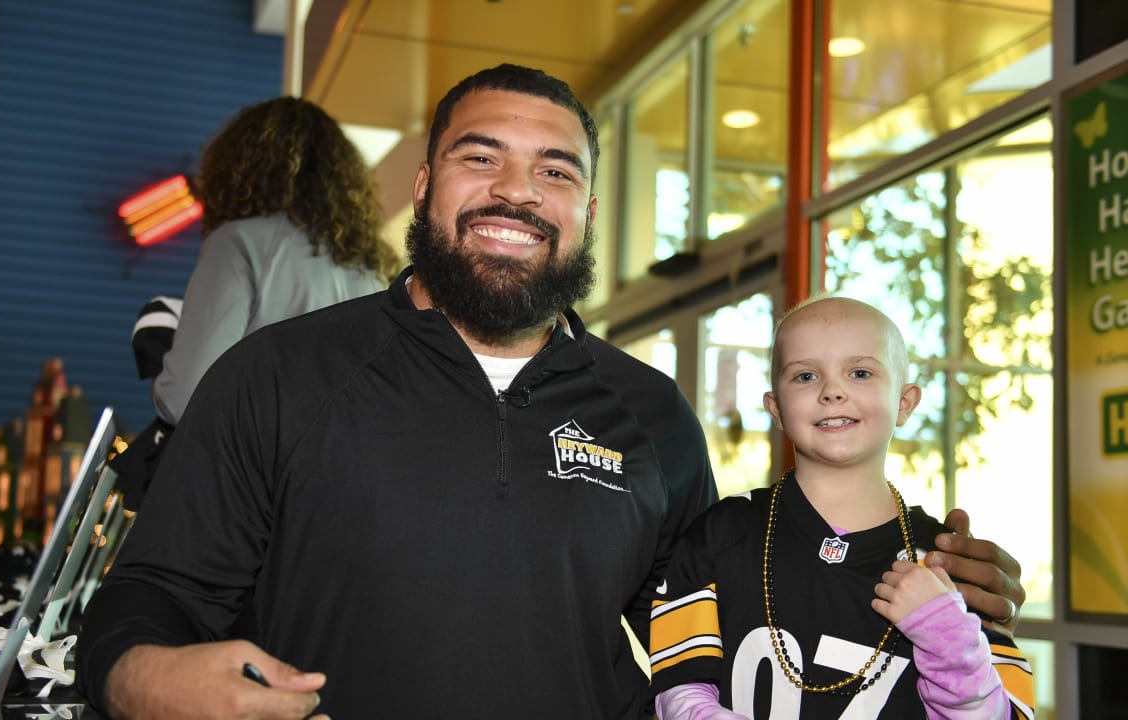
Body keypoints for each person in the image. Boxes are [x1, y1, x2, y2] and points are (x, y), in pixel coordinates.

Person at [76, 65, 1027, 719]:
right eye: (479, 157)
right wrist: (138, 678)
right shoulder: (277, 376)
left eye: (555, 170)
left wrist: (946, 581)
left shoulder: (654, 418)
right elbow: (155, 591)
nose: (515, 191)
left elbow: (755, 600)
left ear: (585, 212)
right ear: (424, 184)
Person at [649, 296, 1034, 719]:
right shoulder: (719, 534)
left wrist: (947, 635)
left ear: (904, 403)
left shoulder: (948, 562)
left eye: (861, 372)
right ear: (776, 409)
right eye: (806, 375)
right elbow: (679, 699)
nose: (832, 391)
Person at [153, 96, 399, 426]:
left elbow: (185, 399)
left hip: (260, 470)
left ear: (237, 169)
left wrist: (161, 351)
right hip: (346, 469)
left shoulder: (238, 243)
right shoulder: (373, 265)